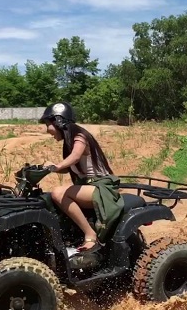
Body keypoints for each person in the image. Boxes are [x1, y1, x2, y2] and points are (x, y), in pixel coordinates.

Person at [39, 101, 124, 254]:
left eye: (47, 124)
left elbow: (76, 156)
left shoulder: (79, 136)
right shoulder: (69, 141)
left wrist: (56, 166)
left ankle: (90, 234)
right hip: (90, 186)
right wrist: (48, 169)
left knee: (58, 193)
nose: (47, 130)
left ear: (58, 121)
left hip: (102, 187)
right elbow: (70, 167)